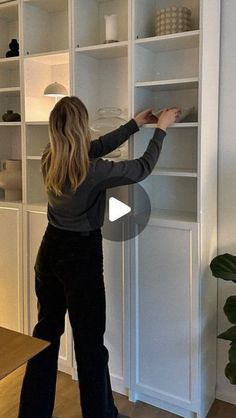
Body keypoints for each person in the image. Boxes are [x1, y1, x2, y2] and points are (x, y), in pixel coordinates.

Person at [18, 96, 180, 418]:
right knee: (90, 347)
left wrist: (135, 124)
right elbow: (142, 168)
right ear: (81, 129)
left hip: (49, 253)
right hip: (81, 259)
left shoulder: (50, 158)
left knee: (45, 336)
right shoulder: (93, 172)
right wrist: (161, 129)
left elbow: (96, 146)